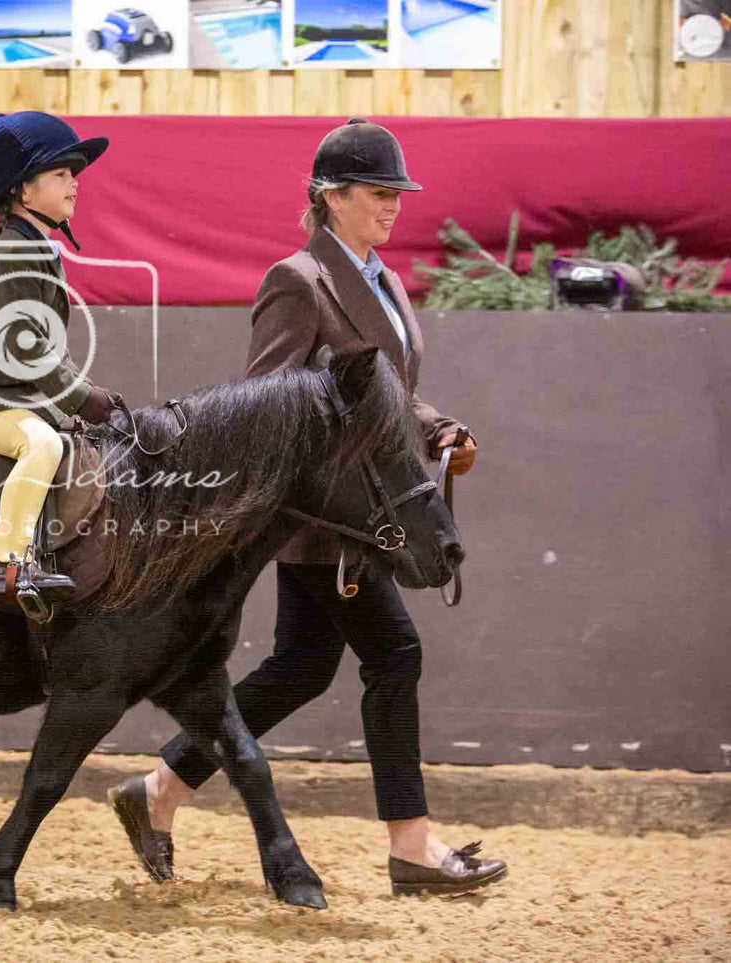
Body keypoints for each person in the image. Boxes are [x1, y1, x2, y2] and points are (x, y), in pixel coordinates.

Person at [107, 118, 507, 897]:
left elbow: (386, 394)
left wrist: (436, 430)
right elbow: (268, 402)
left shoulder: (383, 279)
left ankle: (159, 789)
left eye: (397, 192)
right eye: (376, 192)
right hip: (330, 520)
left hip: (366, 509)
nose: (392, 205)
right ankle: (411, 847)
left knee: (299, 667)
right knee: (394, 655)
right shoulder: (297, 281)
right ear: (330, 197)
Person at [0, 111, 122, 615]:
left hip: (9, 395)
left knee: (64, 436)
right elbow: (26, 345)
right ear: (23, 191)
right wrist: (80, 395)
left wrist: (79, 395)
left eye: (73, 174)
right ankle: (9, 560)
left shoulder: (36, 247)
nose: (74, 184)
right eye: (60, 174)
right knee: (41, 444)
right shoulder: (14, 250)